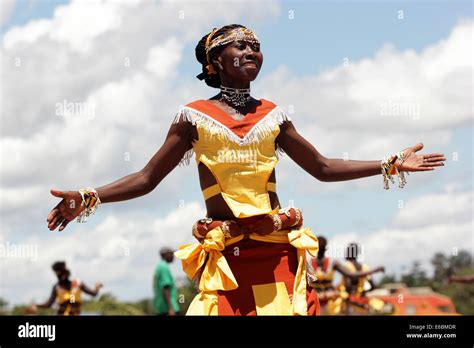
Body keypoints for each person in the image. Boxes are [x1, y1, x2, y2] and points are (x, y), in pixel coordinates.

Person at [46, 24, 446, 316]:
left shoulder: (274, 115)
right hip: (227, 259)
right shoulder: (193, 117)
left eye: (256, 46)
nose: (252, 50)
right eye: (240, 45)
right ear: (215, 61)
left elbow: (322, 167)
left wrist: (388, 164)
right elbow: (148, 177)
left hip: (278, 251)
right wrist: (88, 196)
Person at [27, 261, 102, 315]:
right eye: (58, 274)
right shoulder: (57, 287)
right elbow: (48, 304)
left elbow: (94, 294)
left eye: (61, 274)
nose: (61, 277)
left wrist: (97, 287)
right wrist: (36, 305)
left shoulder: (76, 284)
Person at [334, 243, 385, 315]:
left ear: (349, 253)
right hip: (363, 304)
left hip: (350, 305)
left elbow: (347, 287)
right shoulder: (365, 267)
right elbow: (373, 285)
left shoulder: (347, 266)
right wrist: (363, 292)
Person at [154, 247, 180, 316]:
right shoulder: (163, 267)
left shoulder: (160, 266)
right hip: (167, 308)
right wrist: (171, 308)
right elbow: (166, 287)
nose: (173, 256)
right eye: (171, 253)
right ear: (166, 255)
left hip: (163, 307)